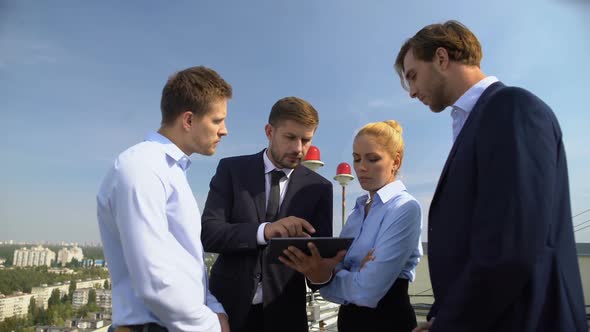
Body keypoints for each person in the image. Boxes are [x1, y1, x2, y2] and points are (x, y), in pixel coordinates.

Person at [393, 20, 588, 332]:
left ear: (441, 59)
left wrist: (451, 324)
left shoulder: (512, 107)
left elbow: (509, 248)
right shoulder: (478, 121)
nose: (413, 92)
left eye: (413, 76)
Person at [97, 66, 232, 332]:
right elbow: (155, 281)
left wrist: (214, 309)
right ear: (189, 120)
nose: (224, 130)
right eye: (217, 120)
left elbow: (185, 263)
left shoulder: (170, 171)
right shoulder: (142, 168)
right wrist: (210, 326)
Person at [201, 96, 334, 332]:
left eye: (306, 140)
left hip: (286, 317)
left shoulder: (320, 188)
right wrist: (264, 231)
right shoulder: (231, 170)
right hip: (227, 314)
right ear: (269, 131)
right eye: (290, 137)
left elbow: (319, 261)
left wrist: (321, 273)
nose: (299, 148)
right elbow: (209, 233)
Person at [281, 120, 423, 332]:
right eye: (356, 159)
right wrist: (350, 273)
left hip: (387, 323)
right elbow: (337, 269)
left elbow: (368, 290)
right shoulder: (357, 212)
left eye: (372, 159)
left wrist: (327, 276)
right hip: (349, 322)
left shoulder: (405, 208)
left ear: (396, 161)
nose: (361, 168)